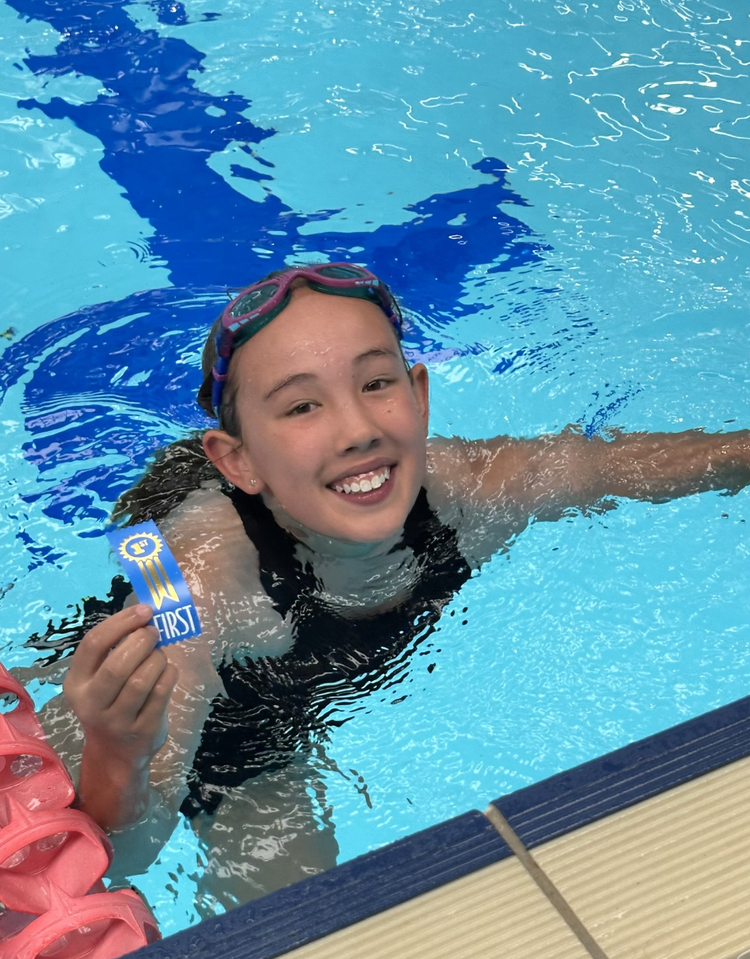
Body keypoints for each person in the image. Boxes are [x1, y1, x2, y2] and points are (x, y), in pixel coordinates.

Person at [59, 263, 750, 907]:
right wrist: (118, 751)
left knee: (319, 910)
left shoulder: (466, 490)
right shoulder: (190, 585)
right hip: (134, 725)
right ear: (236, 460)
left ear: (418, 397)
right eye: (302, 406)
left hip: (272, 739)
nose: (358, 429)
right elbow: (121, 855)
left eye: (375, 384)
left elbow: (617, 465)